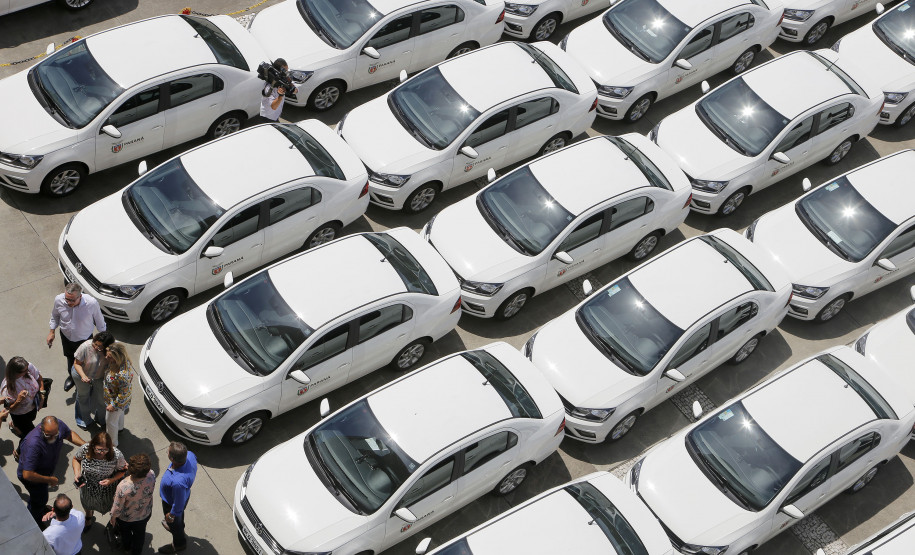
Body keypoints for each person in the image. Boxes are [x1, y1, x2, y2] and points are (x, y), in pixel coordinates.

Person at [18, 416, 86, 523]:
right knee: (39, 499)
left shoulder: (58, 425)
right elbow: (27, 474)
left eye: (56, 435)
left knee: (41, 498)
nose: (53, 438)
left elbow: (69, 434)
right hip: (33, 477)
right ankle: (35, 520)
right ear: (41, 428)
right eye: (48, 435)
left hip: (45, 471)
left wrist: (85, 446)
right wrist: (49, 480)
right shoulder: (32, 444)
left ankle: (40, 508)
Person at [47, 283, 107, 381]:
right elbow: (55, 316)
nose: (68, 302)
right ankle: (72, 378)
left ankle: (86, 378)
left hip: (85, 339)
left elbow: (100, 322)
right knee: (70, 358)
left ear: (80, 296)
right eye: (67, 299)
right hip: (66, 337)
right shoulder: (59, 300)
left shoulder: (91, 303)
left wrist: (104, 340)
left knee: (87, 361)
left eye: (72, 300)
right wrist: (52, 332)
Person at [71, 431, 127, 531]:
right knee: (87, 503)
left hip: (107, 488)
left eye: (105, 450)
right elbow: (76, 459)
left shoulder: (116, 454)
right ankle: (88, 517)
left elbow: (122, 470)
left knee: (110, 505)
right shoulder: (85, 449)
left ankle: (112, 521)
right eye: (99, 449)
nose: (102, 453)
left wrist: (111, 480)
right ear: (93, 446)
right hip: (88, 485)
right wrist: (77, 473)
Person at [111, 453, 156, 555]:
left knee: (126, 534)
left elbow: (117, 507)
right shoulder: (151, 475)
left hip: (126, 519)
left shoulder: (123, 486)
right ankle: (137, 552)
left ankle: (127, 548)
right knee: (140, 535)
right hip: (144, 514)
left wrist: (113, 518)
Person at [1, 356, 46, 456]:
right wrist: (18, 400)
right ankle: (18, 452)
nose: (27, 371)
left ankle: (15, 426)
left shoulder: (28, 367)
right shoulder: (8, 387)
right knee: (29, 435)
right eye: (23, 371)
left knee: (31, 419)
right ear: (15, 373)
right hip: (19, 414)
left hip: (32, 406)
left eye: (26, 369)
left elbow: (39, 378)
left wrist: (42, 394)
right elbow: (9, 409)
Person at [158, 442, 197, 553]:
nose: (167, 452)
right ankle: (178, 524)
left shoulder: (177, 482)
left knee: (176, 523)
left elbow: (178, 504)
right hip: (184, 495)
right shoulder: (190, 455)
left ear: (172, 459)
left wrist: (171, 515)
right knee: (179, 519)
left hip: (171, 502)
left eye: (168, 452)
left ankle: (179, 544)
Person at [71, 331, 115, 429]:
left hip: (99, 377)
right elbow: (77, 364)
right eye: (95, 344)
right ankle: (83, 420)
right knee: (83, 397)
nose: (96, 348)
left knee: (102, 399)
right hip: (81, 374)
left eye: (100, 347)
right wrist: (83, 376)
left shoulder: (110, 351)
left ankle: (101, 419)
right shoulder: (85, 346)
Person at [103, 342, 133, 447]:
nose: (106, 357)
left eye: (109, 356)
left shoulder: (122, 375)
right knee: (119, 416)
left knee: (110, 422)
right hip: (120, 401)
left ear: (117, 357)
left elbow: (123, 393)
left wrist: (113, 405)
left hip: (116, 402)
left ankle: (112, 444)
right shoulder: (124, 362)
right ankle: (120, 428)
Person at [256, 58, 297, 123]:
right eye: (284, 71)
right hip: (268, 117)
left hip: (276, 115)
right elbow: (273, 107)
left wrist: (290, 84)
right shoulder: (269, 87)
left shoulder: (283, 80)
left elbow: (295, 91)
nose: (286, 74)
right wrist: (280, 96)